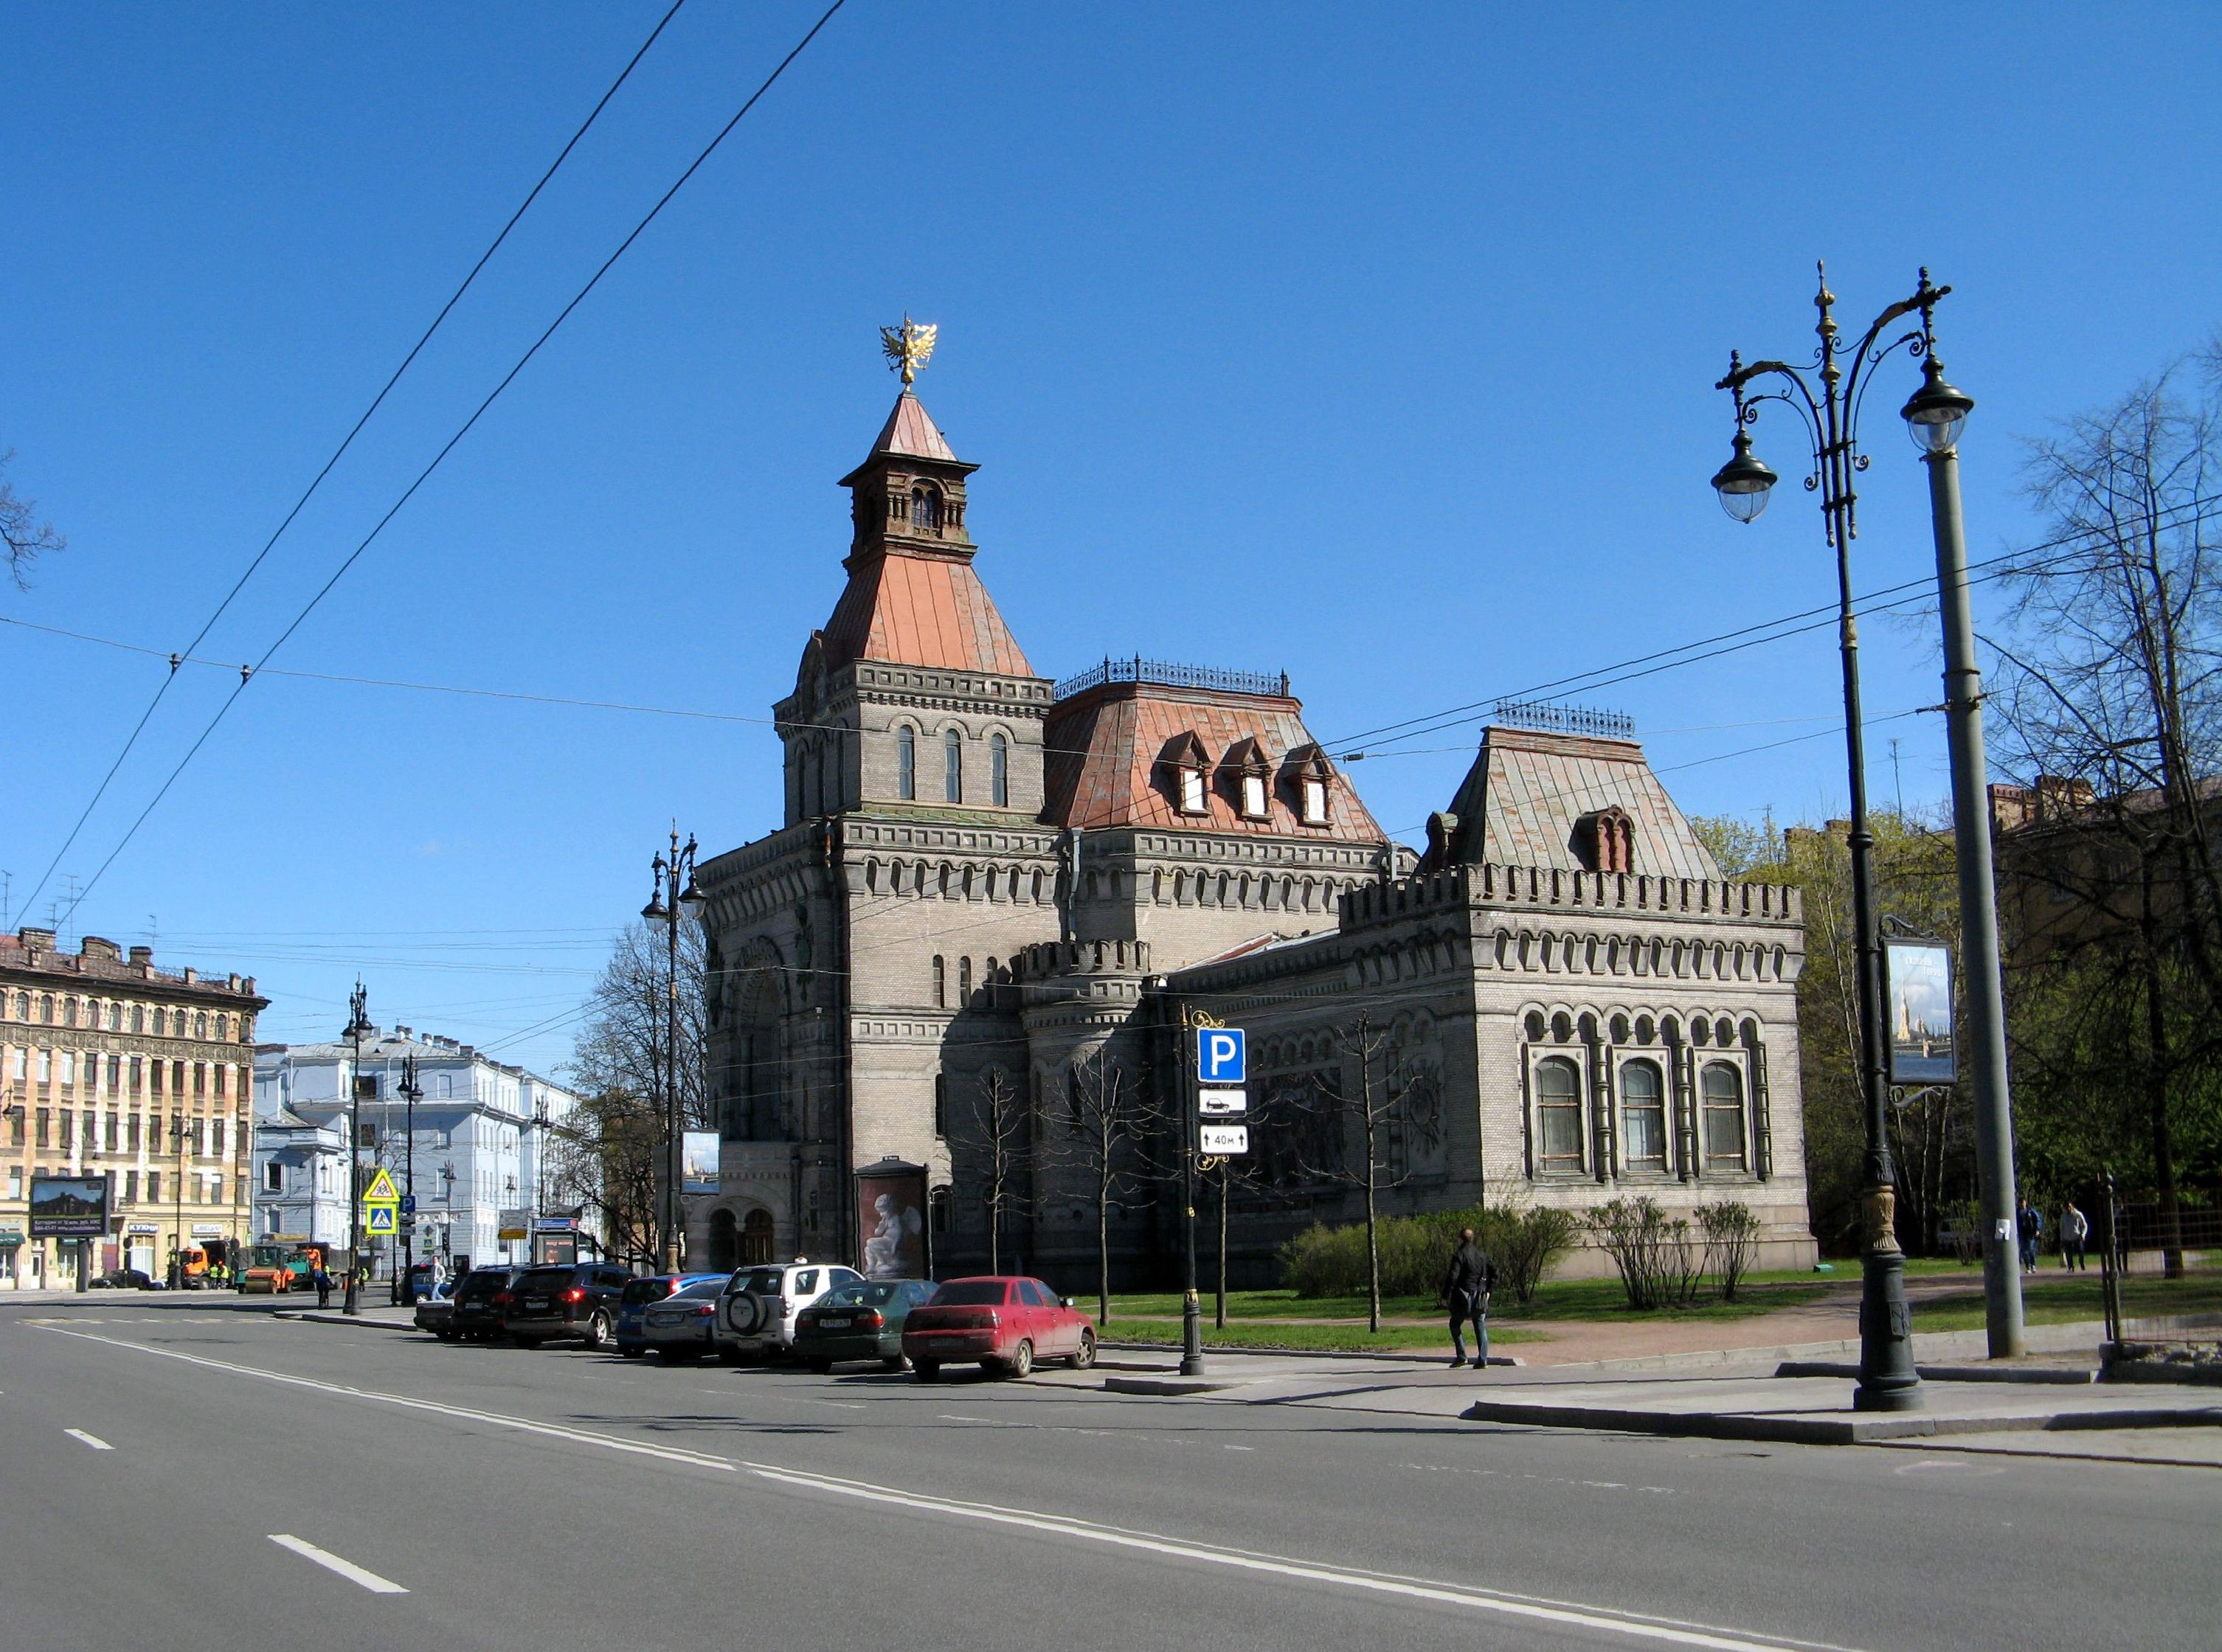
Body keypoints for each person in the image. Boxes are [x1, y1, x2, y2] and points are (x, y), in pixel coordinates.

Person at [1439, 1227, 1498, 1371]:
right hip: (1480, 1295)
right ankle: (1483, 1359)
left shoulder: (1459, 1255)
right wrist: (1489, 1290)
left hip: (1462, 1296)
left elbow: (1453, 1276)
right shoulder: (1482, 1255)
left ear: (1460, 1239)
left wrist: (1445, 1296)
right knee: (1480, 1325)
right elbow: (1495, 1272)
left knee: (1455, 1324)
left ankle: (1462, 1355)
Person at [2060, 1200, 2090, 1271]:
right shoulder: (2063, 1216)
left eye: (2070, 1207)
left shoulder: (2078, 1214)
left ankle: (2081, 1262)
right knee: (2068, 1253)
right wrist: (2062, 1238)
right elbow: (2062, 1227)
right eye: (2067, 1207)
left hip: (2077, 1236)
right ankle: (2071, 1267)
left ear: (2073, 1207)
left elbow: (2085, 1225)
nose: (2068, 1209)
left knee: (2081, 1251)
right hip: (2067, 1237)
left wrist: (2083, 1234)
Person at [2016, 1198, 2043, 1274]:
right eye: (2021, 1203)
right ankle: (2028, 1267)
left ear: (2026, 1203)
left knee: (2031, 1249)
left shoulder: (2031, 1211)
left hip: (2030, 1233)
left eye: (2023, 1203)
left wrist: (2037, 1230)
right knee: (2024, 1251)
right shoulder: (2017, 1212)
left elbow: (2038, 1220)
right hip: (2022, 1233)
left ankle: (2033, 1265)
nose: (2022, 1204)